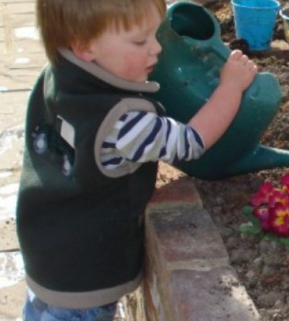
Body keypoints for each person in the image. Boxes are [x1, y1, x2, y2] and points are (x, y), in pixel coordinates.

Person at [15, 0, 257, 319]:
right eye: (140, 41)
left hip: (47, 253)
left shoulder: (57, 75)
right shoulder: (123, 123)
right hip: (86, 279)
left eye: (155, 34)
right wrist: (231, 87)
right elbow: (190, 141)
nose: (156, 48)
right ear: (85, 45)